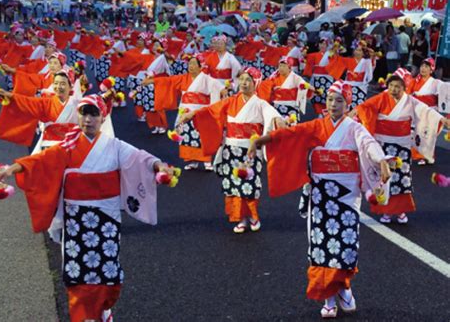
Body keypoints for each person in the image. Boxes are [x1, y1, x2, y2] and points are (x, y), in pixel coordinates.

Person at [0, 94, 176, 322]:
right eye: (83, 113)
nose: (88, 119)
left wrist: (158, 164)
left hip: (106, 217)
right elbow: (41, 161)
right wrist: (13, 168)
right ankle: (82, 316)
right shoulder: (68, 145)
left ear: (103, 117)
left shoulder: (114, 146)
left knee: (107, 272)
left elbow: (140, 158)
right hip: (76, 218)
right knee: (77, 273)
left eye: (93, 114)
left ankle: (103, 308)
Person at [248, 80, 392, 319]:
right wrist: (262, 140)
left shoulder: (354, 128)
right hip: (320, 194)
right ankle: (327, 296)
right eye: (329, 99)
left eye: (339, 100)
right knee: (321, 246)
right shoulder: (316, 125)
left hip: (347, 196)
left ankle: (344, 287)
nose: (333, 104)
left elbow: (369, 144)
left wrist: (382, 160)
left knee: (346, 246)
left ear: (348, 104)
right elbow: (291, 133)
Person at [178, 68, 286, 233]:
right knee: (233, 184)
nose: (243, 83)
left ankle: (253, 216)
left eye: (248, 80)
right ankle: (240, 218)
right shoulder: (231, 100)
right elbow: (211, 110)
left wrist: (279, 120)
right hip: (230, 148)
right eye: (241, 79)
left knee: (249, 184)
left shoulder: (260, 103)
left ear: (255, 83)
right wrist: (192, 113)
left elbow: (272, 115)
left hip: (250, 150)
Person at [350, 75, 450, 224]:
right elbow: (365, 107)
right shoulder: (381, 98)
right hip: (383, 144)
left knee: (402, 178)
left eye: (397, 87)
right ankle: (386, 211)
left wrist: (442, 119)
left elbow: (425, 111)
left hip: (402, 146)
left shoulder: (410, 100)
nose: (393, 89)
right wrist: (353, 113)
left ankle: (401, 211)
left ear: (404, 88)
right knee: (385, 178)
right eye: (391, 86)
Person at [143, 56, 225, 170]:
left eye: (193, 64)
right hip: (185, 109)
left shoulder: (207, 79)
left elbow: (219, 87)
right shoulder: (183, 78)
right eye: (189, 64)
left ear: (200, 66)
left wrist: (224, 90)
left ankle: (206, 161)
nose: (190, 66)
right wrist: (151, 81)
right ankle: (192, 161)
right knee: (187, 137)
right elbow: (168, 81)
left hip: (200, 111)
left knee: (202, 136)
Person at [257, 56, 313, 121]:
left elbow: (304, 87)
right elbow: (265, 88)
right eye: (280, 66)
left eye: (284, 66)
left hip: (292, 107)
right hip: (277, 106)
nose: (281, 68)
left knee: (290, 129)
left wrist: (307, 88)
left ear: (289, 68)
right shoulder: (274, 77)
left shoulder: (296, 78)